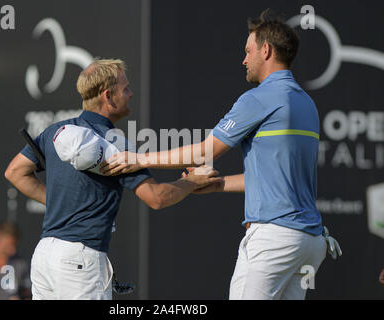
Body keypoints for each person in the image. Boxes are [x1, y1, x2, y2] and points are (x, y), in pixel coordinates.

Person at [100, 10, 342, 300]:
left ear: (266, 50)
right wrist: (219, 184)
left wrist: (140, 159)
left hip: (274, 240)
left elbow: (206, 151)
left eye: (248, 51)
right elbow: (273, 176)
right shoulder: (307, 103)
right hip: (309, 243)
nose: (244, 60)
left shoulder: (259, 97)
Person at [4, 58, 221, 300]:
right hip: (80, 262)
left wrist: (57, 201)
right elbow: (157, 198)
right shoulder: (115, 143)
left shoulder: (54, 131)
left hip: (44, 256)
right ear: (108, 96)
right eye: (125, 89)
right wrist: (192, 182)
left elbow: (15, 172)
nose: (131, 94)